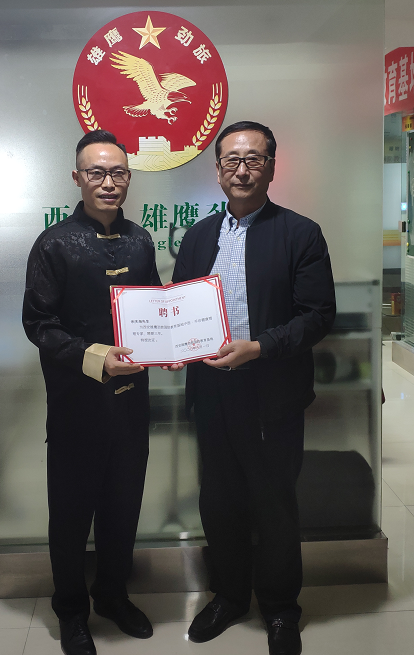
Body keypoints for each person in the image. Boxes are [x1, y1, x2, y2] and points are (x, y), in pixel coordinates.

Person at [171, 121, 336, 655]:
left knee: (274, 504)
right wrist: (173, 346)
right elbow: (179, 307)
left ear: (271, 166)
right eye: (232, 160)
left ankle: (281, 607)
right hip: (212, 392)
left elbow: (317, 316)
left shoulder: (300, 233)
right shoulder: (198, 236)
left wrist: (259, 347)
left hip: (272, 393)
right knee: (219, 501)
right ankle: (229, 596)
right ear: (218, 170)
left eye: (254, 159)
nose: (242, 170)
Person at [22, 130, 160, 655]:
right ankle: (71, 610)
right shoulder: (54, 244)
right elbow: (38, 323)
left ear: (129, 178)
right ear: (77, 178)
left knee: (124, 507)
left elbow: (152, 310)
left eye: (118, 172)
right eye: (96, 172)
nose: (108, 182)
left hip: (132, 404)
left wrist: (170, 343)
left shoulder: (141, 242)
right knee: (71, 514)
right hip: (76, 406)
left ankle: (112, 594)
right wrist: (96, 357)